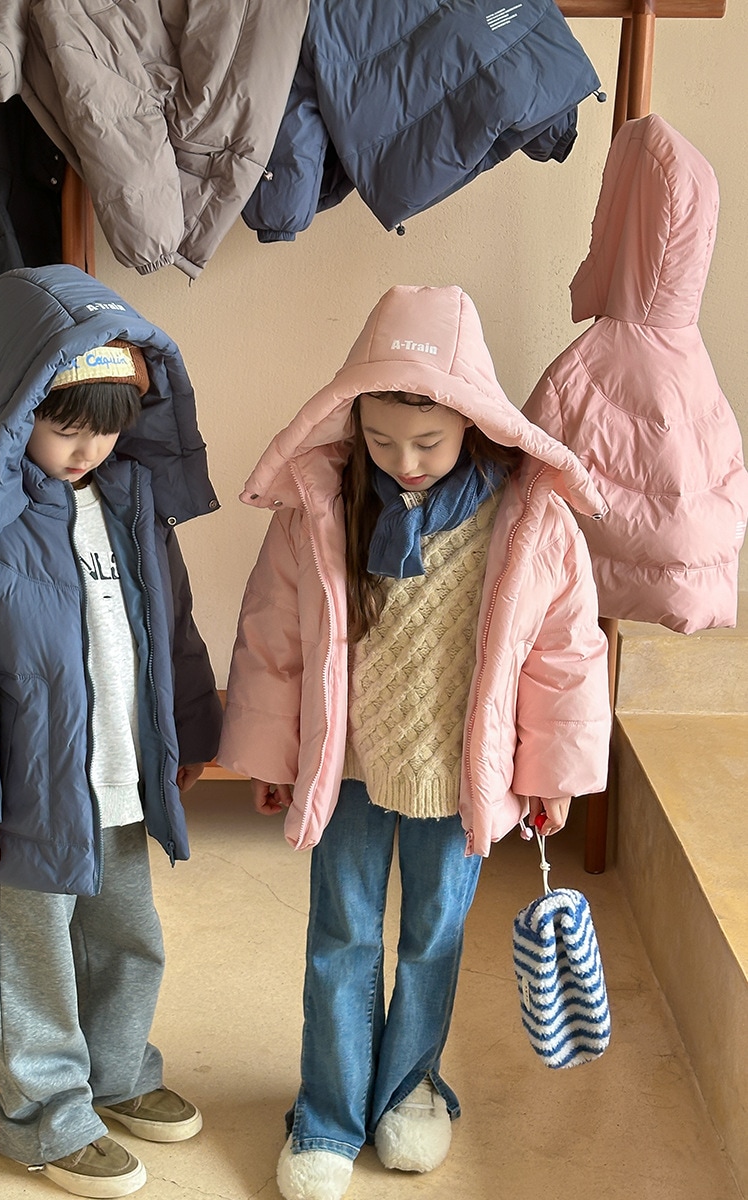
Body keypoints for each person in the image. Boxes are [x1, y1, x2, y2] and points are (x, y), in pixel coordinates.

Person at [216, 285, 612, 1200]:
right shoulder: (320, 504)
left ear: (474, 420)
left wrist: (548, 774)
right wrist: (275, 756)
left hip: (460, 776)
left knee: (433, 938)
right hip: (350, 768)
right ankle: (327, 1113)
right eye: (382, 440)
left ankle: (409, 1088)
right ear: (353, 420)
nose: (405, 463)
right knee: (341, 935)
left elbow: (564, 657)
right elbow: (274, 635)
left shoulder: (531, 519)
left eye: (429, 443)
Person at [0, 265, 223, 1198]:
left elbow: (171, 634)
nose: (88, 447)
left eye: (107, 426)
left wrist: (187, 733)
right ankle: (45, 1117)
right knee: (29, 964)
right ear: (17, 404)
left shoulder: (134, 511)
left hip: (115, 781)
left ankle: (116, 1073)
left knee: (127, 939)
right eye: (65, 424)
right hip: (21, 803)